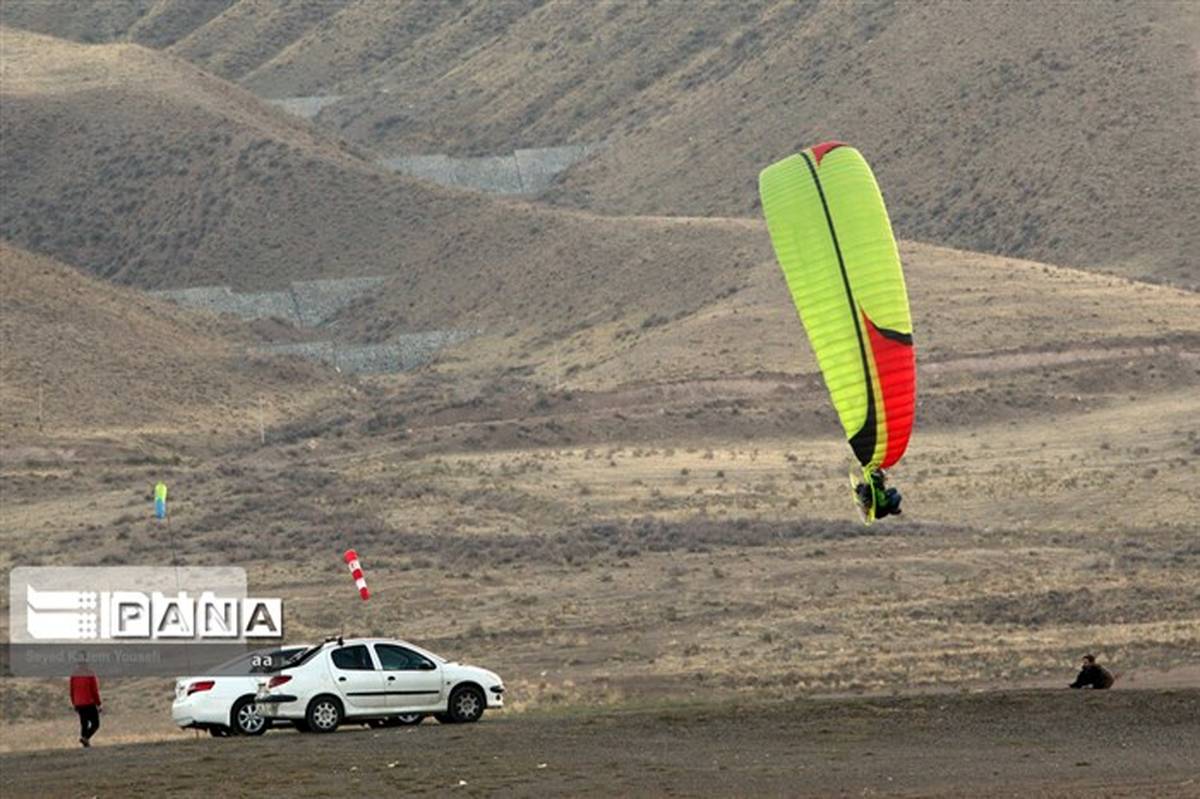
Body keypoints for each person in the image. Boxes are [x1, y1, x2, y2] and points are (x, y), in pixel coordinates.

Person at [70, 656, 102, 747]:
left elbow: (72, 691)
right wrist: (98, 703)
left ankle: (85, 743)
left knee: (84, 723)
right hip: (89, 702)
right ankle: (85, 738)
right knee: (95, 723)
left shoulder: (74, 675)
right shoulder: (90, 673)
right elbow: (94, 690)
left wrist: (74, 703)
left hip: (79, 703)